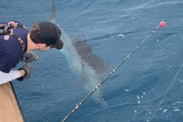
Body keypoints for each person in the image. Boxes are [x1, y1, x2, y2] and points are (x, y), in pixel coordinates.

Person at [0, 21, 63, 85]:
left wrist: (23, 52)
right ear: (42, 45)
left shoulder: (20, 26)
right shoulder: (12, 55)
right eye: (51, 46)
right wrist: (23, 72)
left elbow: (6, 41)